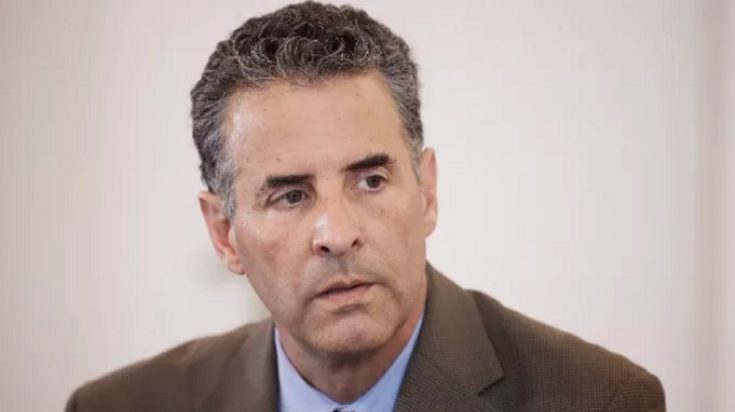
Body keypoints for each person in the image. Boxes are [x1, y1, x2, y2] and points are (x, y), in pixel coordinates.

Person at [65, 2, 666, 411]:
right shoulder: (120, 406)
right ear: (225, 234)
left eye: (371, 181)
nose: (337, 232)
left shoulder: (600, 400)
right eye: (291, 195)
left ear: (426, 192)